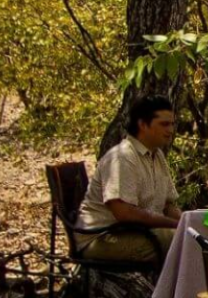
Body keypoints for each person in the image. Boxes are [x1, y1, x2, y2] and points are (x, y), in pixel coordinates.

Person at [75, 95, 181, 262]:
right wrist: (175, 226)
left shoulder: (157, 155)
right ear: (143, 125)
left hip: (136, 233)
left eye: (172, 124)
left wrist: (188, 223)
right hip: (103, 238)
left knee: (192, 237)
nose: (170, 130)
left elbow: (168, 205)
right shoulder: (123, 157)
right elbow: (124, 212)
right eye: (164, 124)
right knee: (179, 241)